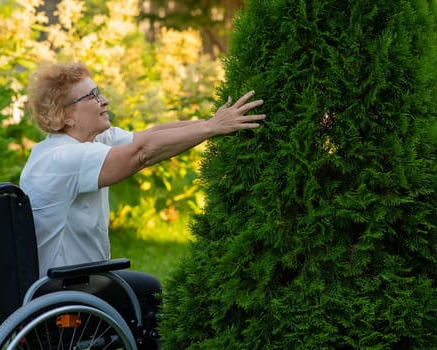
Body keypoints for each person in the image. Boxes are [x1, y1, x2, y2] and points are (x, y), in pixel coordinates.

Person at [19, 61, 265, 347]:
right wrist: (212, 128)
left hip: (69, 280)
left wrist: (214, 123)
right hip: (64, 286)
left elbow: (150, 136)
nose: (104, 100)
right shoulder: (64, 158)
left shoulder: (87, 141)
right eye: (93, 95)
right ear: (67, 115)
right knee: (150, 293)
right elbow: (142, 154)